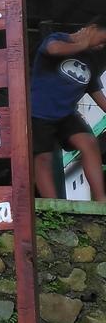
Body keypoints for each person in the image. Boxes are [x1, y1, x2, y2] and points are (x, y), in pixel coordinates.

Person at [31, 17, 106, 200]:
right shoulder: (59, 38)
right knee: (43, 159)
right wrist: (82, 43)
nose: (102, 46)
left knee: (88, 142)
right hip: (37, 113)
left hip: (65, 115)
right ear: (92, 28)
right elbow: (52, 49)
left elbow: (98, 96)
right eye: (102, 40)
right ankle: (54, 207)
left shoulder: (90, 62)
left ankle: (101, 201)